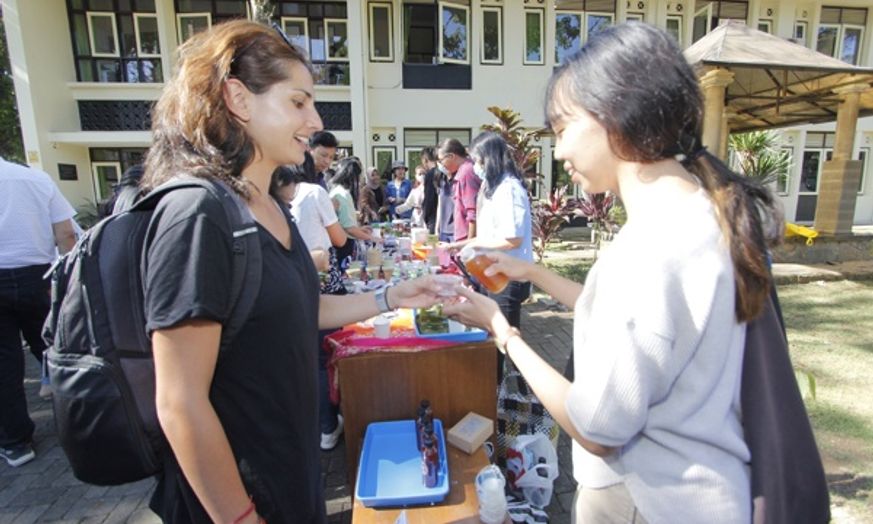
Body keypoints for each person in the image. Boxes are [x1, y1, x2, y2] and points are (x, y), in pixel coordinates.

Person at [444, 23, 781, 524]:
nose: (558, 153)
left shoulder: (646, 249)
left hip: (646, 501)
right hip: (713, 490)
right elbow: (639, 324)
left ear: (614, 116)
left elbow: (596, 428)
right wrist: (533, 272)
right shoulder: (708, 215)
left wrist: (502, 332)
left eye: (563, 130)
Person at [139, 20, 439, 523]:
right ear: (238, 98)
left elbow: (306, 307)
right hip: (237, 499)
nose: (314, 119)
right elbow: (179, 402)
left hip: (291, 476)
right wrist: (238, 516)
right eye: (298, 102)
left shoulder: (268, 207)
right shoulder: (198, 214)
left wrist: (394, 296)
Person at [0, 156, 77, 467]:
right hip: (40, 277)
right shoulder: (35, 179)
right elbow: (66, 234)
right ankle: (79, 422)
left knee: (4, 366)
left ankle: (16, 442)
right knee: (56, 350)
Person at [446, 132, 533, 380]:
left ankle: (509, 393)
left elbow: (511, 239)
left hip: (507, 277)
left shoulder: (509, 188)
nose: (475, 167)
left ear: (490, 158)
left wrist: (473, 245)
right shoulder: (492, 187)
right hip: (492, 272)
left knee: (505, 339)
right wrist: (462, 244)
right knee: (492, 334)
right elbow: (488, 233)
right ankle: (494, 388)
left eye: (477, 160)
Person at [329, 157, 378, 264]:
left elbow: (344, 223)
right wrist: (372, 238)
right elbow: (349, 229)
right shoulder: (343, 195)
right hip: (343, 246)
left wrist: (360, 229)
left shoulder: (337, 191)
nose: (361, 180)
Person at [437, 138, 480, 242]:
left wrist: (469, 245)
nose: (441, 165)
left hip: (466, 240)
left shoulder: (466, 172)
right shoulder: (462, 171)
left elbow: (472, 213)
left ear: (451, 156)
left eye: (441, 160)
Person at [420, 147, 439, 234]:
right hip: (444, 216)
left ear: (425, 160)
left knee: (432, 244)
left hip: (433, 217)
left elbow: (429, 198)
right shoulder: (443, 172)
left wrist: (425, 216)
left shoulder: (430, 174)